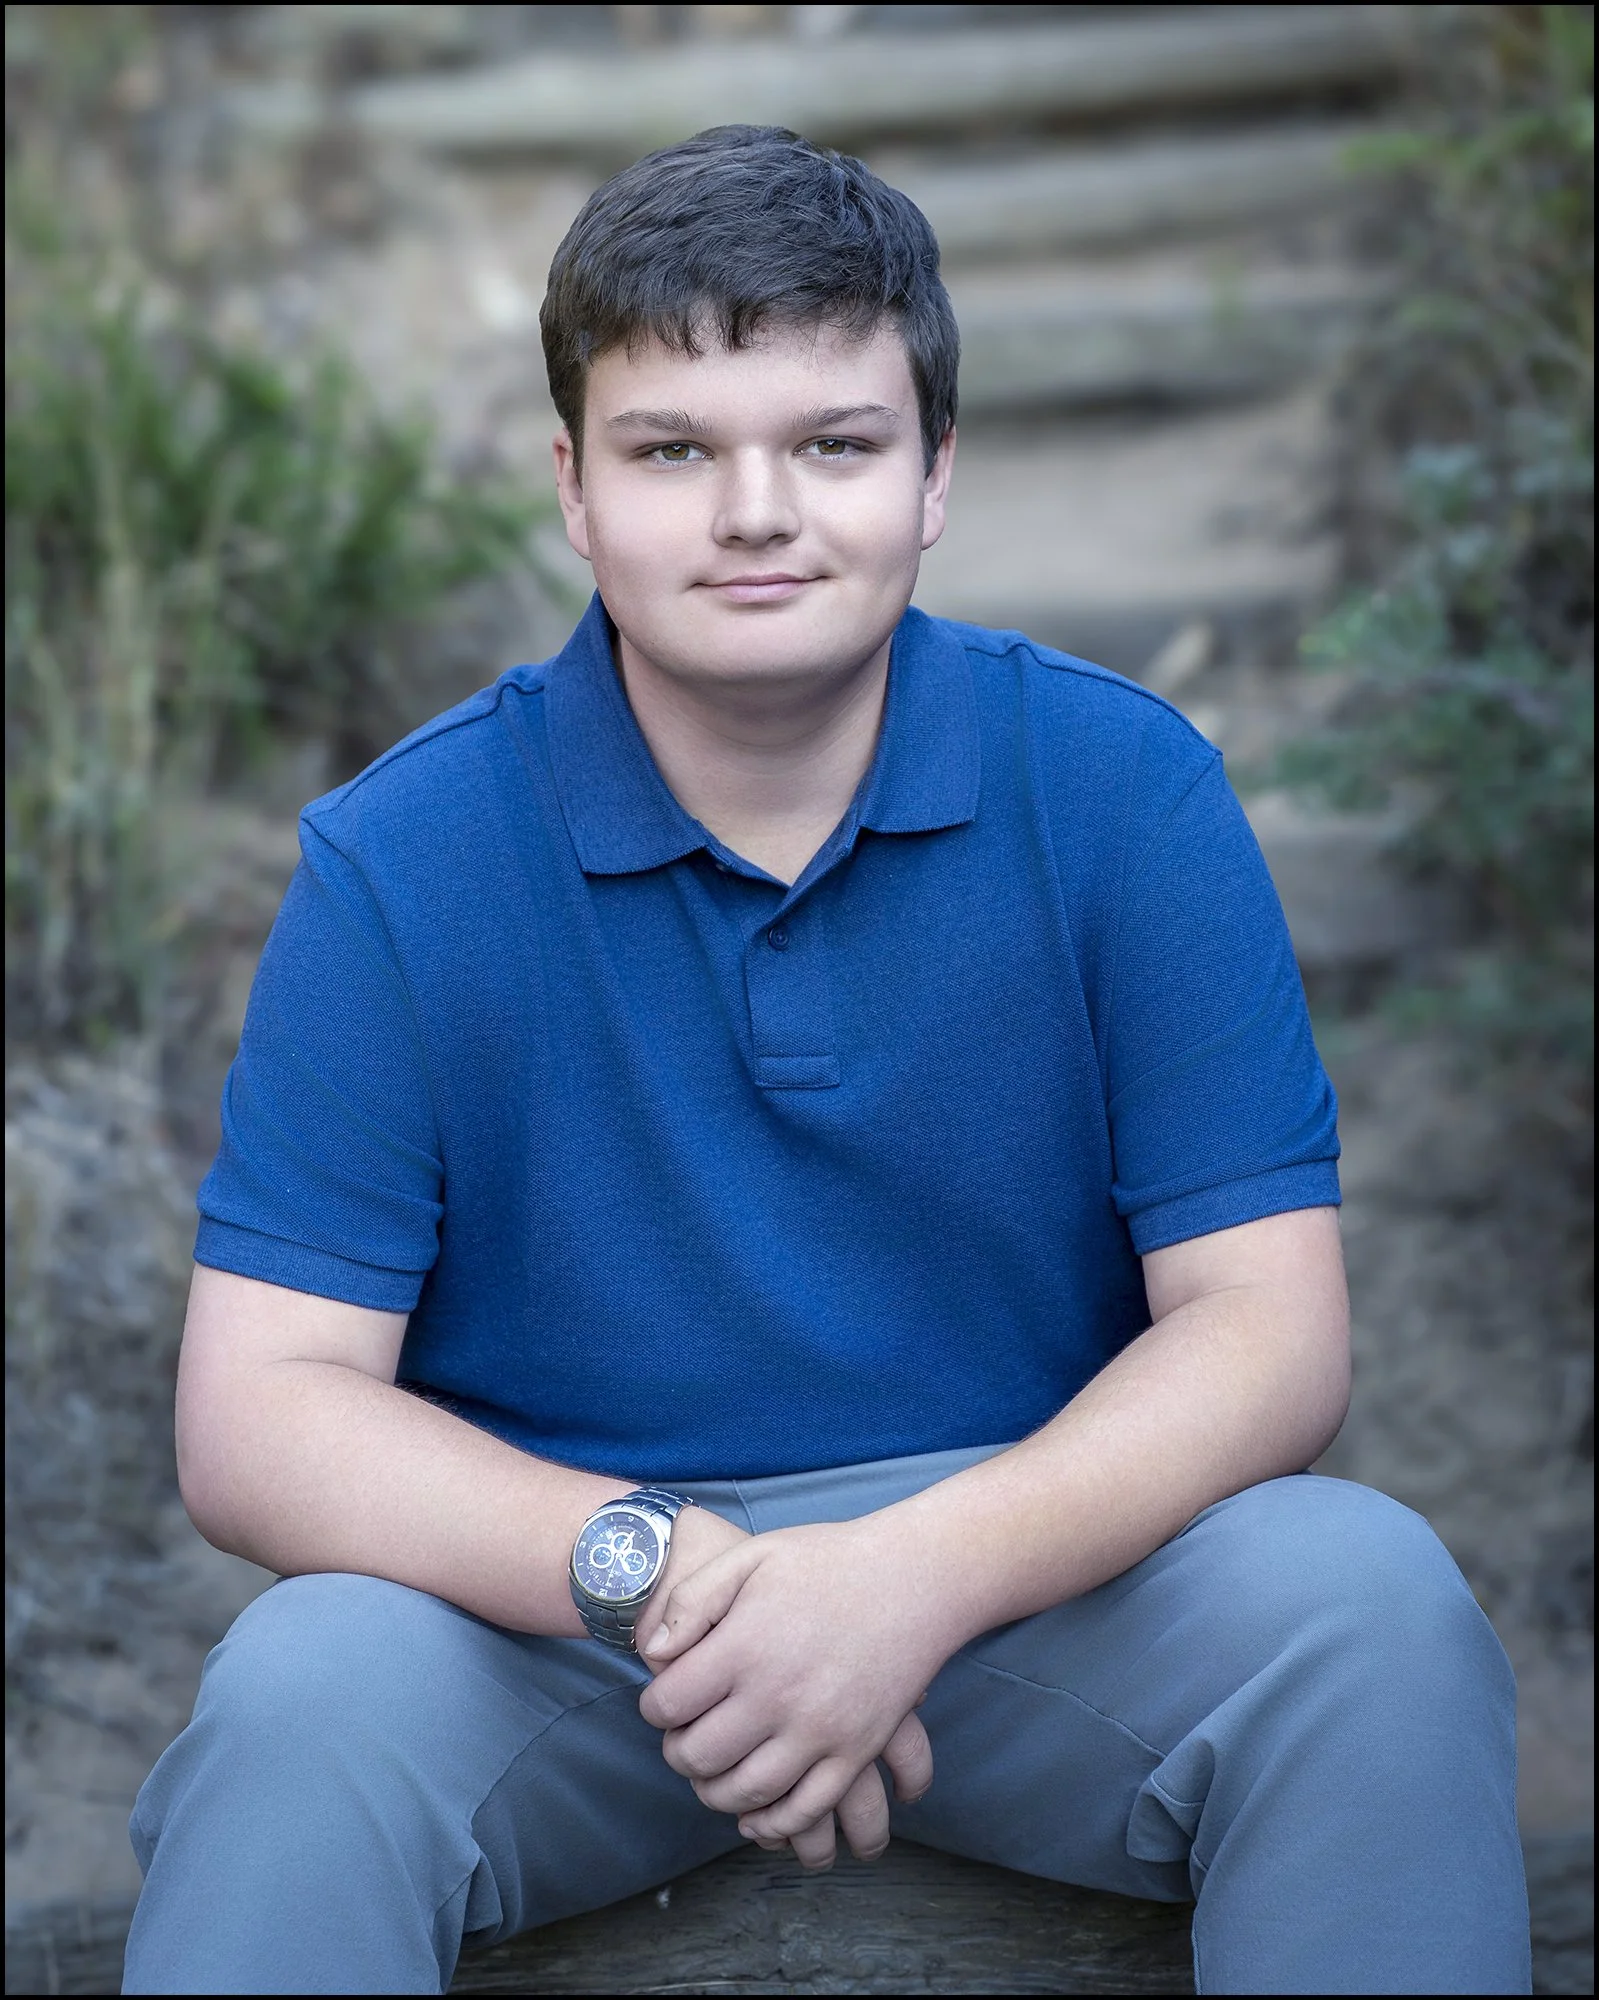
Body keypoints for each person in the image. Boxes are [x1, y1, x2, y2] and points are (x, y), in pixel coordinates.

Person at [121, 125, 1529, 1996]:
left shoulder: (1120, 793)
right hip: (562, 1624)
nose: (755, 511)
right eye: (673, 450)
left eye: (834, 445)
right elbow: (260, 1410)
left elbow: (1268, 1333)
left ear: (937, 474)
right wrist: (675, 1577)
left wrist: (908, 1580)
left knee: (1365, 1604)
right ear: (569, 485)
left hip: (1029, 1602)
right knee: (301, 1694)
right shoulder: (404, 862)